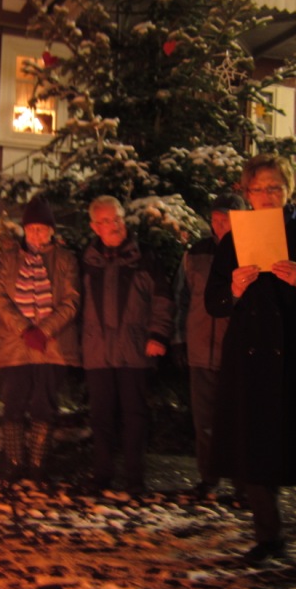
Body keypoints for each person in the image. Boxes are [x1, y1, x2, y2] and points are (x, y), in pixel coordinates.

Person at [205, 153, 296, 584]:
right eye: (257, 189)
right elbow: (213, 302)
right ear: (245, 194)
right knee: (255, 449)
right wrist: (232, 288)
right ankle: (268, 535)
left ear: (290, 190)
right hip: (250, 359)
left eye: (274, 187)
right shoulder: (233, 240)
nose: (266, 196)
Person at [81, 195, 174, 496]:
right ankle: (101, 475)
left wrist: (158, 335)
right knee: (101, 417)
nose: (113, 225)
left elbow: (162, 299)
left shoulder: (144, 257)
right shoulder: (86, 261)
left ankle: (135, 479)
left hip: (134, 350)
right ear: (95, 226)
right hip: (97, 352)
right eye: (105, 221)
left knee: (135, 416)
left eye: (116, 218)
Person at [0, 195, 80, 483]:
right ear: (24, 230)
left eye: (42, 229)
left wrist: (44, 330)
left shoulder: (65, 260)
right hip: (15, 345)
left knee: (44, 403)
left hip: (52, 345)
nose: (36, 234)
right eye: (31, 229)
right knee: (13, 401)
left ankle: (38, 463)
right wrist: (25, 329)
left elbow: (71, 300)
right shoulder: (7, 260)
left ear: (51, 231)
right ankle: (13, 460)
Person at [173, 191, 246, 499]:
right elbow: (181, 298)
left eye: (226, 220)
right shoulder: (196, 254)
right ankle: (209, 479)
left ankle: (245, 485)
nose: (220, 227)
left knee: (240, 423)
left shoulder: (251, 252)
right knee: (204, 422)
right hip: (201, 349)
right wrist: (179, 339)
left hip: (238, 354)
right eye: (216, 220)